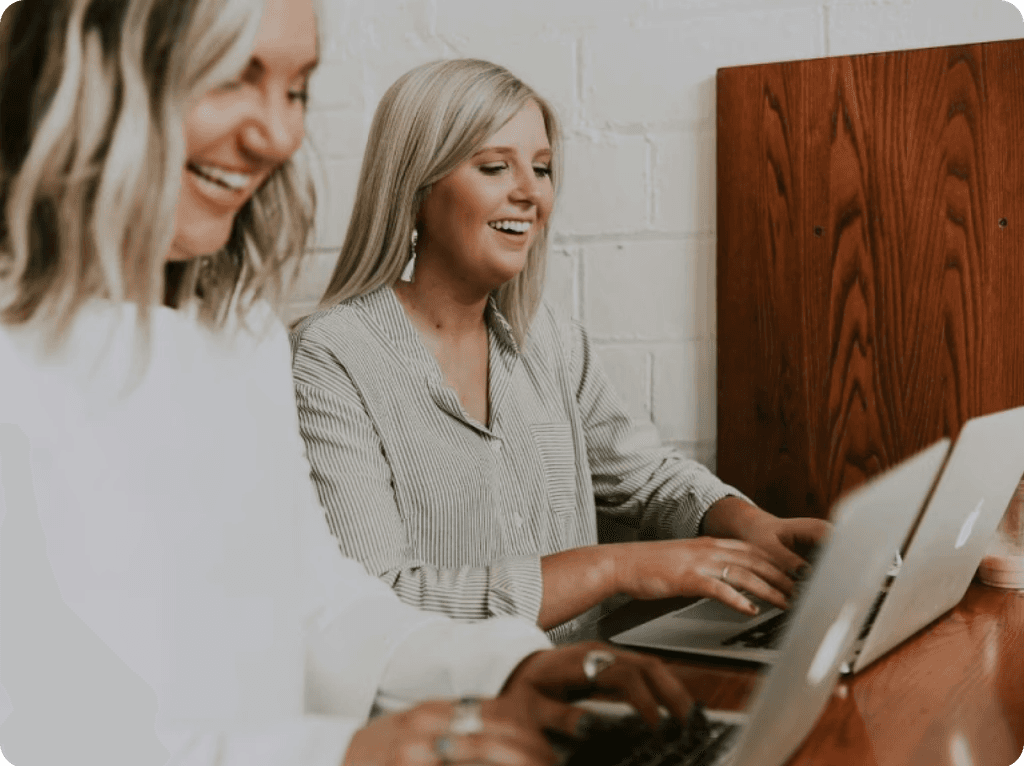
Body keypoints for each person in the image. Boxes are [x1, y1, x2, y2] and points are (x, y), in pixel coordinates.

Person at [0, 3, 694, 766]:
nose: (275, 135)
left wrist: (507, 665)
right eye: (233, 77)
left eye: (295, 90)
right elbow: (54, 730)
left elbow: (324, 601)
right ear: (90, 70)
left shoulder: (238, 336)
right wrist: (348, 755)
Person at [290, 59, 831, 639]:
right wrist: (614, 568)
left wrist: (750, 524)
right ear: (417, 188)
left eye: (542, 169)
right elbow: (382, 605)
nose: (530, 193)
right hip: (453, 718)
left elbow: (644, 479)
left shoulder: (548, 341)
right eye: (496, 167)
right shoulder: (330, 357)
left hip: (584, 689)